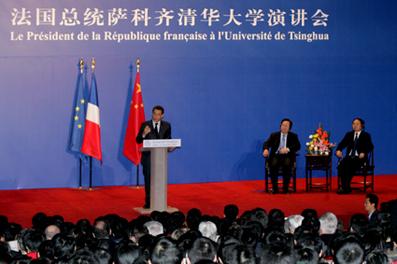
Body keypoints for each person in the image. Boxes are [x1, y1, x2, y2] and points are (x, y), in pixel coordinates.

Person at [136, 105, 172, 208]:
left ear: (162, 116)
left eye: (158, 114)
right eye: (154, 114)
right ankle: (148, 202)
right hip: (148, 158)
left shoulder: (167, 126)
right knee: (148, 180)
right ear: (152, 113)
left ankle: (161, 202)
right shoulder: (145, 125)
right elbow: (138, 140)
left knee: (161, 180)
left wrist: (170, 146)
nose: (156, 116)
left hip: (161, 159)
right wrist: (143, 133)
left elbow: (169, 139)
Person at [336, 117, 374, 194]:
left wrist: (364, 152)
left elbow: (370, 146)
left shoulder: (366, 135)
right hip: (349, 158)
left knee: (348, 164)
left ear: (362, 125)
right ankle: (346, 187)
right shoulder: (349, 134)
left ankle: (345, 187)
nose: (355, 125)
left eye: (357, 124)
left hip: (360, 158)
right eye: (353, 124)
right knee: (343, 164)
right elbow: (342, 143)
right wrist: (338, 150)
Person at [262, 118, 301, 193]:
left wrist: (287, 149)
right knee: (273, 163)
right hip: (276, 156)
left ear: (289, 128)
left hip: (287, 156)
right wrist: (266, 149)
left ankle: (285, 188)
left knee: (287, 163)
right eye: (282, 125)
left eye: (286, 126)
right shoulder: (274, 135)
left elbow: (298, 146)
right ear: (280, 126)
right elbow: (266, 143)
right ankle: (275, 188)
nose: (284, 127)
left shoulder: (293, 136)